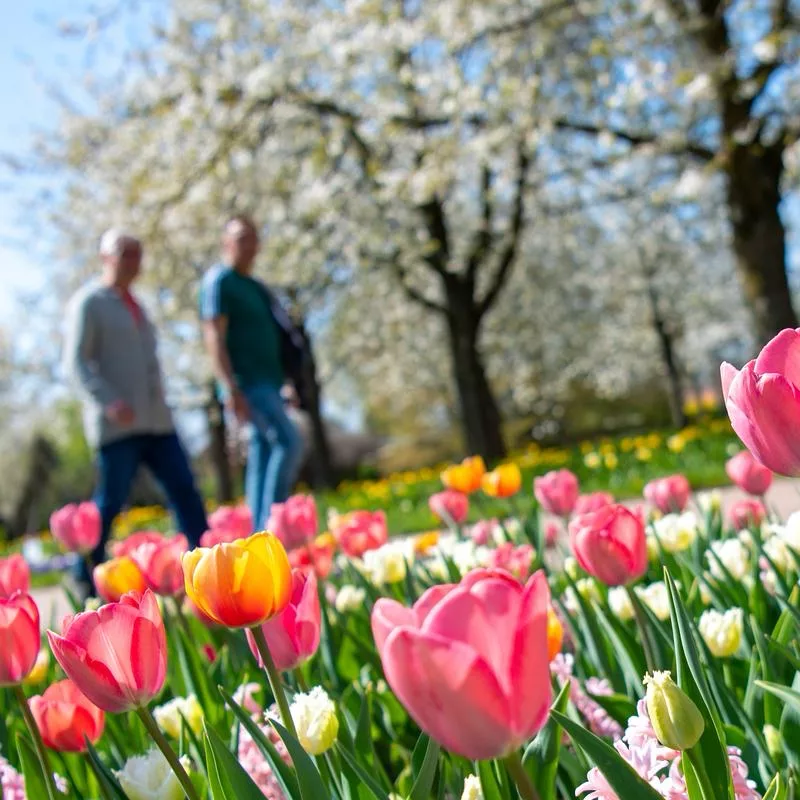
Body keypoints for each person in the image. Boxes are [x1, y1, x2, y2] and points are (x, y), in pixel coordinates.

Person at [64, 229, 209, 593]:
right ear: (105, 257)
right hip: (118, 425)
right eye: (124, 253)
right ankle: (85, 575)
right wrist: (108, 400)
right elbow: (76, 363)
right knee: (110, 501)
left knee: (185, 490)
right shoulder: (90, 303)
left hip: (157, 421)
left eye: (137, 254)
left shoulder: (139, 307)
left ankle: (205, 563)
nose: (132, 261)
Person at [200, 216, 305, 532]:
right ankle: (274, 528)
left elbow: (277, 338)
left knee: (262, 451)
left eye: (252, 238)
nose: (248, 244)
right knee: (288, 441)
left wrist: (288, 382)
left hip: (271, 381)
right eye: (240, 237)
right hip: (246, 384)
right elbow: (214, 335)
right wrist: (229, 387)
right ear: (225, 243)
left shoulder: (257, 288)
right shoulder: (220, 282)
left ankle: (258, 532)